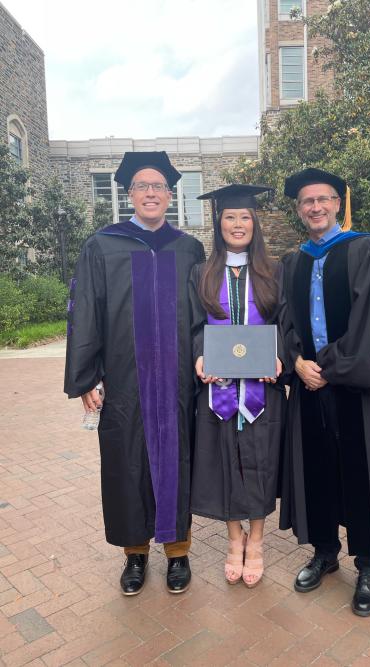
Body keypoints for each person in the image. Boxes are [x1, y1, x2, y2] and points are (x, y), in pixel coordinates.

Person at [64, 151, 205, 596]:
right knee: (127, 464)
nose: (150, 193)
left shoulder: (188, 249)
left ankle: (178, 553)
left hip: (179, 381)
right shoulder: (101, 245)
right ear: (129, 195)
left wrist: (208, 360)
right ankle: (135, 554)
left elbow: (203, 317)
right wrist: (86, 376)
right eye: (142, 186)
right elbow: (84, 311)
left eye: (158, 186)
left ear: (169, 195)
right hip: (126, 380)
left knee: (178, 461)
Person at [279, 167, 370, 616]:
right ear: (299, 210)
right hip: (310, 383)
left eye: (323, 199)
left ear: (338, 203)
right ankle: (324, 552)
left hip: (354, 383)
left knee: (363, 469)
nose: (315, 207)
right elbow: (286, 323)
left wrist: (330, 367)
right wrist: (296, 361)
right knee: (316, 467)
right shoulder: (292, 262)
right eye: (306, 202)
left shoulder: (365, 249)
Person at [188, 184, 287, 588]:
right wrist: (199, 355)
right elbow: (193, 324)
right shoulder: (201, 272)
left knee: (260, 461)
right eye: (230, 217)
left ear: (255, 222)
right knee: (224, 460)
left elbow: (286, 321)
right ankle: (234, 539)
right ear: (219, 223)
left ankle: (258, 541)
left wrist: (279, 355)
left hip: (263, 388)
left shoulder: (274, 271)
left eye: (245, 217)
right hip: (218, 390)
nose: (238, 224)